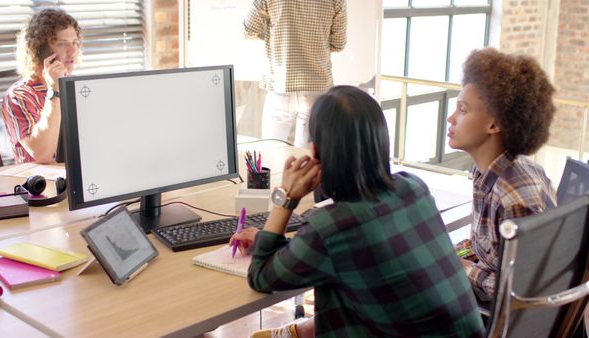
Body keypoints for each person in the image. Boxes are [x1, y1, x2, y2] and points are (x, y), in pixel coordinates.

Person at [231, 86, 484, 337]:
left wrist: (285, 198)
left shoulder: (331, 227)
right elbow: (359, 253)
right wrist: (285, 245)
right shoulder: (413, 186)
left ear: (315, 152)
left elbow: (261, 277)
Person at [448, 48, 557, 302]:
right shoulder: (488, 172)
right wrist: (452, 255)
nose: (451, 118)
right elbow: (491, 251)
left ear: (494, 124)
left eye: (463, 110)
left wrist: (466, 270)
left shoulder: (513, 197)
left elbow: (524, 290)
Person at [243, 0, 347, 148]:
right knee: (307, 160)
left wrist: (276, 36)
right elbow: (338, 43)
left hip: (280, 84)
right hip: (316, 89)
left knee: (271, 153)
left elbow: (249, 29)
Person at [2, 9, 81, 164]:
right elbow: (42, 155)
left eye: (75, 43)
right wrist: (55, 91)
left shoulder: (78, 86)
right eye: (62, 44)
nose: (72, 51)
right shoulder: (19, 96)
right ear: (40, 51)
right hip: (43, 183)